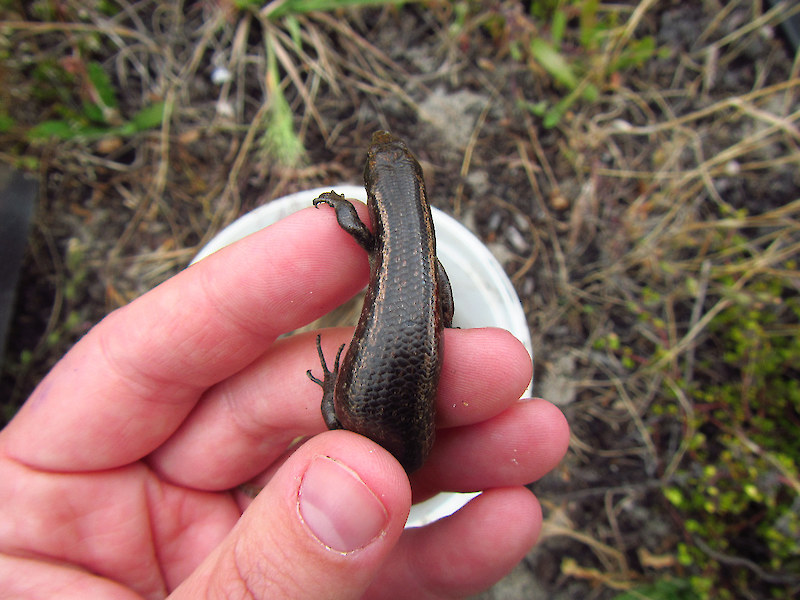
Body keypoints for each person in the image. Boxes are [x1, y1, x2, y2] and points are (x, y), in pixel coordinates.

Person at [0, 202, 569, 599]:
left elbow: (355, 227)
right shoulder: (418, 258)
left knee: (373, 430)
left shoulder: (382, 244)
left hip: (376, 414)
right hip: (391, 414)